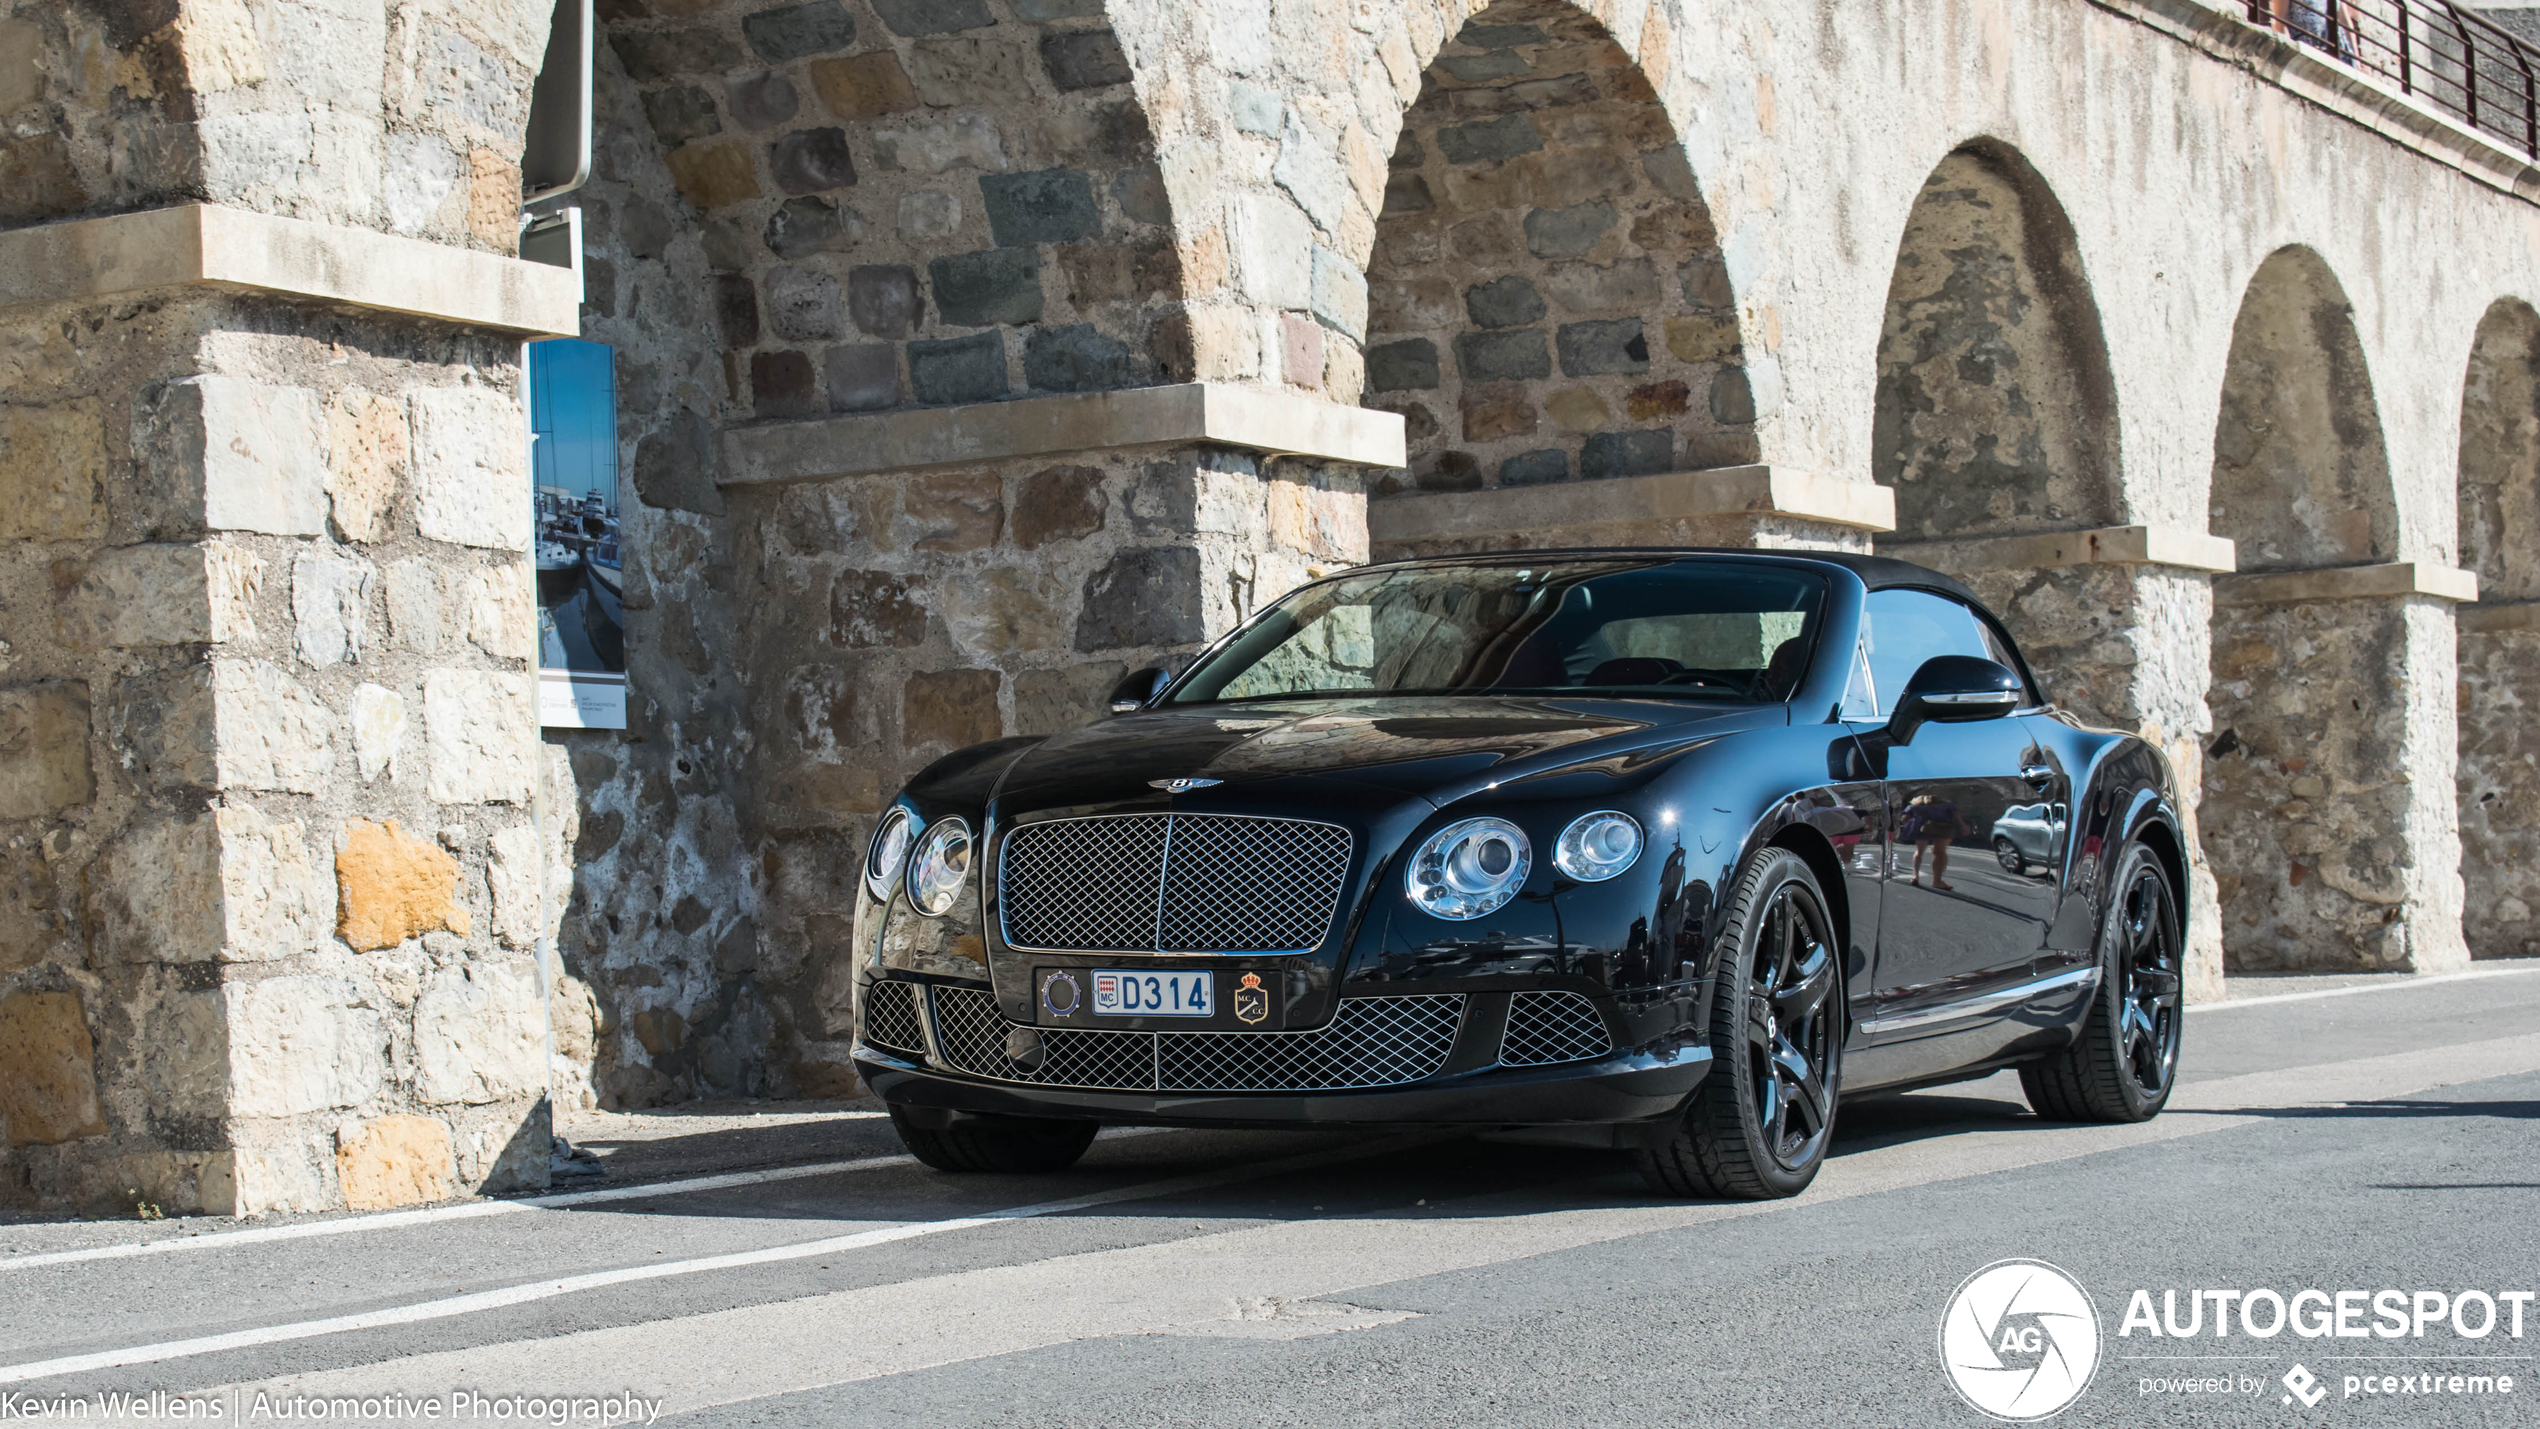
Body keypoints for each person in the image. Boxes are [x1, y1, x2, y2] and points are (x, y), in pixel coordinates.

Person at [1900, 793, 1959, 892]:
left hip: (1922, 829)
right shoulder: (1947, 805)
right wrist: (1963, 825)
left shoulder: (1914, 806)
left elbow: (1905, 819)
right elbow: (1956, 815)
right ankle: (1937, 881)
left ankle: (1915, 876)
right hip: (1941, 828)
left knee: (1919, 852)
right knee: (1939, 852)